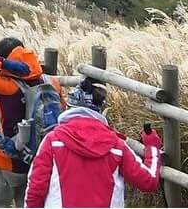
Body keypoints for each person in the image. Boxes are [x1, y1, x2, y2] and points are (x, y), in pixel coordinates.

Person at [24, 79, 162, 208]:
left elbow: (35, 189)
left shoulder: (53, 141)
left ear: (70, 107)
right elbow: (148, 181)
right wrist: (152, 147)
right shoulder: (117, 147)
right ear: (100, 110)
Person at [0, 37, 64, 208]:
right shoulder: (52, 82)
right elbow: (62, 113)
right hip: (39, 160)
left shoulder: (7, 87)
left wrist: (1, 63)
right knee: (29, 203)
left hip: (6, 159)